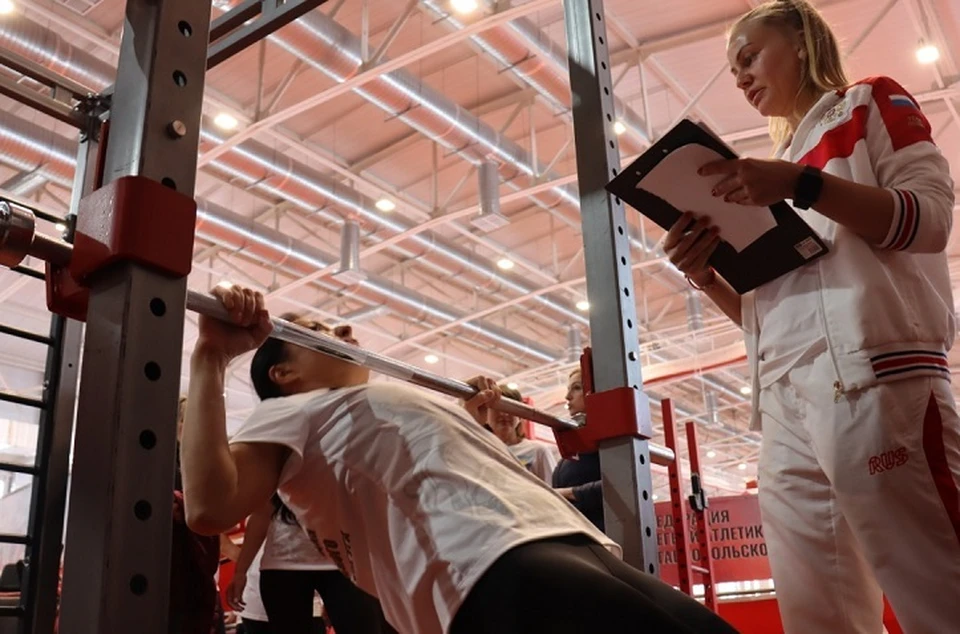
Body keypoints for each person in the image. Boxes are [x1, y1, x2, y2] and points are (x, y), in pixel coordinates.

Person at [179, 285, 739, 634]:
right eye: (318, 333)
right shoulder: (292, 411)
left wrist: (473, 418)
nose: (346, 330)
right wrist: (211, 354)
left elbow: (420, 469)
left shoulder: (369, 407)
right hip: (486, 564)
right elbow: (209, 506)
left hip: (558, 539)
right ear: (284, 374)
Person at [661, 1, 960, 632]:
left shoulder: (867, 103)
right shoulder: (771, 169)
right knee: (816, 615)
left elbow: (929, 220)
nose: (741, 77)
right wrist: (706, 274)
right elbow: (764, 317)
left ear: (800, 41)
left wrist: (802, 183)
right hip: (783, 406)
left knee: (938, 585)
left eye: (750, 57)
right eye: (733, 70)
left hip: (874, 378)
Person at [228, 493, 388, 634]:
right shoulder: (276, 467)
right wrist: (241, 571)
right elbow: (262, 513)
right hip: (284, 561)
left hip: (346, 560)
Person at [462, 380, 560, 483]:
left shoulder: (538, 451)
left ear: (520, 416)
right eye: (498, 407)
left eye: (510, 409)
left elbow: (553, 488)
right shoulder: (479, 450)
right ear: (486, 413)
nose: (504, 414)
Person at [550, 369, 604, 531]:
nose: (568, 396)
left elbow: (623, 484)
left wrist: (569, 493)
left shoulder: (615, 444)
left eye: (577, 388)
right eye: (569, 389)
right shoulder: (566, 459)